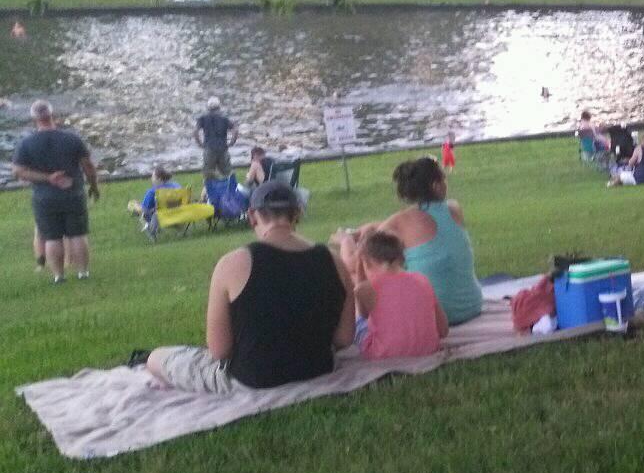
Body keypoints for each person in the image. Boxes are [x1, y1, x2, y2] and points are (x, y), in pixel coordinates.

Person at [144, 180, 353, 393]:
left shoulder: (232, 264)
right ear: (297, 213)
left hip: (251, 379)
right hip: (319, 369)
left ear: (252, 216)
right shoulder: (334, 261)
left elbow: (219, 350)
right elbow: (345, 338)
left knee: (155, 358)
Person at [335, 156, 484, 325]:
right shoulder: (454, 209)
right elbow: (424, 221)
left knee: (357, 274)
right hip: (472, 306)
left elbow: (352, 261)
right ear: (436, 185)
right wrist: (369, 227)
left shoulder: (400, 222)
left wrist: (345, 239)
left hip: (431, 315)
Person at [12, 100, 99, 283]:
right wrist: (93, 186)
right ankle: (83, 272)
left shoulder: (26, 144)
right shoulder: (72, 139)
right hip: (73, 193)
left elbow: (18, 171)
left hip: (44, 197)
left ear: (34, 119)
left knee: (52, 237)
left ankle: (59, 276)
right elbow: (88, 167)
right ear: (53, 116)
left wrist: (47, 178)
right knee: (77, 234)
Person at [352, 230, 448, 359]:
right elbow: (443, 329)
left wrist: (360, 276)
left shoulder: (366, 289)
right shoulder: (422, 280)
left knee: (359, 322)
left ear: (366, 263)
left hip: (384, 354)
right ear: (401, 258)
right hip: (428, 349)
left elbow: (364, 315)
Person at [194, 97, 236, 179]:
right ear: (219, 106)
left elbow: (195, 131)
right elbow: (235, 130)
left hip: (209, 147)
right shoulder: (224, 118)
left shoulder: (203, 118)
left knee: (208, 172)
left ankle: (211, 189)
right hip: (223, 147)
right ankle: (231, 189)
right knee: (227, 172)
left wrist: (199, 143)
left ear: (208, 107)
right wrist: (231, 142)